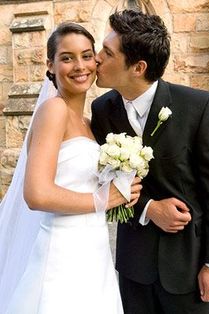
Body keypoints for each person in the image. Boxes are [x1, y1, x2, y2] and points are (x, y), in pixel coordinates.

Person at [91, 9, 209, 314]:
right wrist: (148, 208)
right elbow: (104, 178)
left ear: (138, 67)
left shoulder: (197, 106)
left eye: (107, 52)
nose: (97, 59)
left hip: (189, 266)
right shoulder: (102, 109)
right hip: (133, 267)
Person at [0, 22, 142, 314]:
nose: (80, 66)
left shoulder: (89, 125)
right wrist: (103, 199)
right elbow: (36, 194)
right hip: (61, 253)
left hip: (92, 249)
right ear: (50, 65)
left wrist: (121, 192)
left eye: (87, 55)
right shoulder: (54, 110)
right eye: (67, 58)